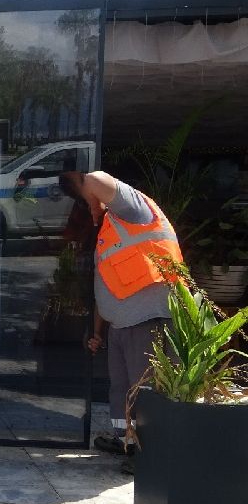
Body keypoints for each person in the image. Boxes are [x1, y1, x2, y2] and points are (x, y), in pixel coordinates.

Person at [59, 170, 182, 474]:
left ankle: (148, 454)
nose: (84, 207)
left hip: (148, 319)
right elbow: (109, 286)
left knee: (145, 390)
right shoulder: (108, 232)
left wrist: (91, 197)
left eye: (82, 200)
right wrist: (99, 331)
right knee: (122, 390)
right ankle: (128, 441)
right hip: (121, 325)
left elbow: (95, 178)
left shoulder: (134, 209)